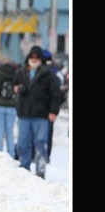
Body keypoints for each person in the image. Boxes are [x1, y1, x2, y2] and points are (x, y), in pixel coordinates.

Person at [12, 45, 63, 179]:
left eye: (37, 57)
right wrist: (16, 89)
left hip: (41, 115)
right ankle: (24, 168)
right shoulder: (22, 71)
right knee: (23, 143)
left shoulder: (48, 74)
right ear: (29, 58)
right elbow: (14, 86)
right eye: (32, 57)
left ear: (41, 59)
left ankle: (40, 170)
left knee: (40, 143)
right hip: (24, 114)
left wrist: (54, 111)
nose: (34, 59)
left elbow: (56, 95)